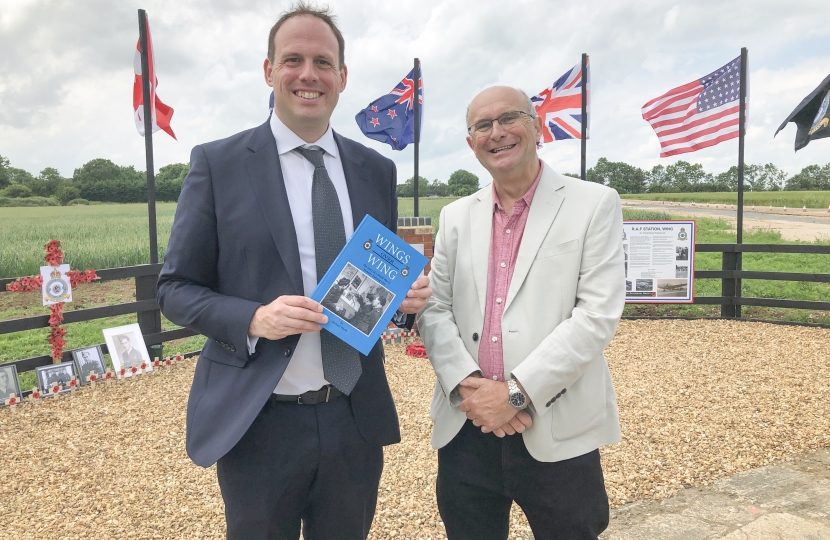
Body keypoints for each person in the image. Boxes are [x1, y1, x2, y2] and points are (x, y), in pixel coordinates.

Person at [156, 4, 431, 539]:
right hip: (259, 420)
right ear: (269, 71)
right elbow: (173, 290)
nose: (309, 75)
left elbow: (373, 280)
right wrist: (254, 317)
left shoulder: (376, 170)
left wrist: (402, 300)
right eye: (293, 60)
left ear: (342, 77)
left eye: (323, 62)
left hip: (354, 416)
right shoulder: (218, 164)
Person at [417, 86, 625, 540]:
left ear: (537, 127)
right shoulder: (454, 217)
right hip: (466, 425)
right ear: (471, 143)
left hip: (556, 424)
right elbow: (435, 307)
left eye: (509, 118)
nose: (497, 133)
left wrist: (513, 394)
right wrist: (472, 389)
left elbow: (596, 315)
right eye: (482, 126)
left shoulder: (593, 203)